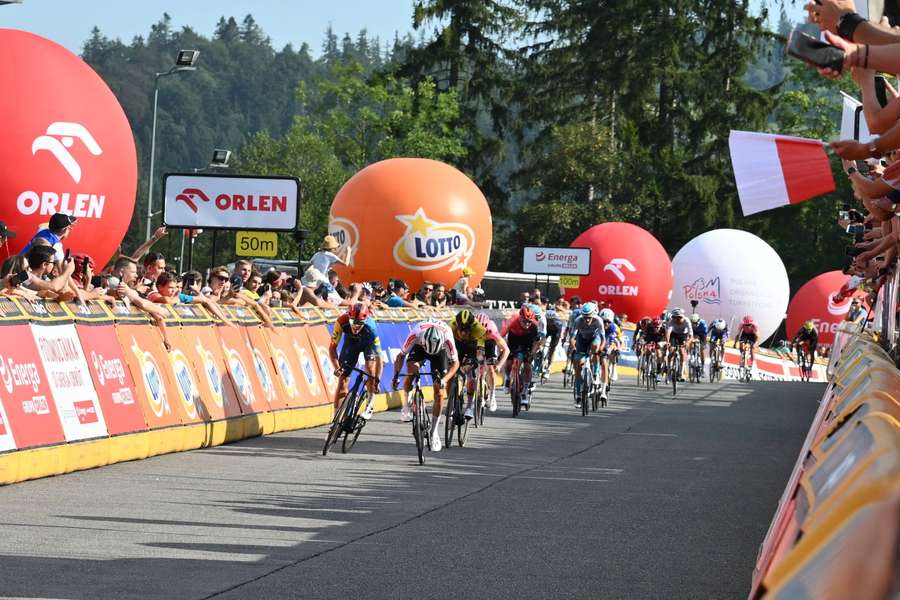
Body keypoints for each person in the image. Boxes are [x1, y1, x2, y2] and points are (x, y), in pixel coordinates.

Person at [391, 320, 459, 452]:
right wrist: (396, 376)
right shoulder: (416, 333)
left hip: (440, 353)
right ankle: (406, 406)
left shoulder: (448, 337)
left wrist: (444, 380)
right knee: (411, 373)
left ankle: (434, 432)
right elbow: (401, 356)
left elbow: (455, 364)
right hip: (420, 348)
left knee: (439, 393)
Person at [329, 302, 383, 420]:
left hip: (367, 343)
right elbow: (332, 348)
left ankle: (370, 404)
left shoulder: (371, 327)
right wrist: (336, 367)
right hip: (351, 342)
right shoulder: (341, 321)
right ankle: (336, 419)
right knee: (342, 380)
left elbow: (379, 357)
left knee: (369, 369)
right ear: (349, 318)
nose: (356, 326)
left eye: (360, 323)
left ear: (365, 320)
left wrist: (377, 379)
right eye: (354, 322)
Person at [449, 309, 487, 419]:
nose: (464, 333)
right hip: (457, 344)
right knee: (452, 370)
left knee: (471, 375)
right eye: (462, 330)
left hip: (472, 345)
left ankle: (470, 406)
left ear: (471, 328)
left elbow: (480, 352)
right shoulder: (451, 326)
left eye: (467, 330)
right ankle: (453, 400)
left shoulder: (479, 329)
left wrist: (476, 360)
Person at [502, 305, 542, 408]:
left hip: (527, 343)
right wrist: (502, 350)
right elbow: (500, 337)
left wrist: (532, 353)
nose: (527, 324)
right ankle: (507, 378)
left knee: (528, 366)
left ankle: (525, 389)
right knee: (509, 362)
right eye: (524, 321)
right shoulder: (512, 321)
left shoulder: (534, 326)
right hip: (513, 341)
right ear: (520, 318)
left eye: (529, 321)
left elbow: (537, 343)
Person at [567, 302, 605, 408]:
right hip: (582, 339)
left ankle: (596, 373)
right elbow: (572, 338)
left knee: (595, 348)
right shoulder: (578, 320)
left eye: (589, 317)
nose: (587, 320)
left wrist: (600, 350)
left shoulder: (598, 320)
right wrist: (574, 347)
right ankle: (578, 395)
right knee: (578, 365)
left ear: (594, 315)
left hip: (594, 338)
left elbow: (603, 338)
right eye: (585, 317)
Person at [475, 311, 510, 412]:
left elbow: (506, 350)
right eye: (478, 329)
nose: (481, 331)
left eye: (483, 329)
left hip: (490, 341)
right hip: (478, 341)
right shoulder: (472, 329)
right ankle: (478, 384)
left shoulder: (492, 330)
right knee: (476, 362)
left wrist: (499, 365)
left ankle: (492, 395)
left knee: (491, 369)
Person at [665, 308, 693, 381]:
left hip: (683, 335)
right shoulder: (671, 321)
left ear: (682, 317)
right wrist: (668, 342)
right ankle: (668, 371)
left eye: (679, 318)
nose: (676, 320)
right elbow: (668, 333)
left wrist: (687, 342)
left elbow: (691, 336)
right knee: (671, 351)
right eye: (674, 318)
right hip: (674, 335)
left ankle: (681, 373)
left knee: (682, 351)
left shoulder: (687, 321)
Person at [599, 308, 618, 397]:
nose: (606, 324)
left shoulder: (613, 327)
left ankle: (603, 389)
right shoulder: (597, 324)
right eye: (604, 321)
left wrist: (607, 351)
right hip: (599, 339)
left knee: (604, 363)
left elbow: (612, 342)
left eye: (608, 322)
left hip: (608, 340)